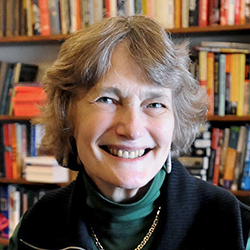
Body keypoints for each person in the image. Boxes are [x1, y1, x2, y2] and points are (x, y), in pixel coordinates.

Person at [9, 15, 250, 250]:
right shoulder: (34, 230)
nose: (132, 129)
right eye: (107, 99)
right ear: (68, 115)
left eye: (155, 104)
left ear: (176, 120)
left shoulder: (235, 227)